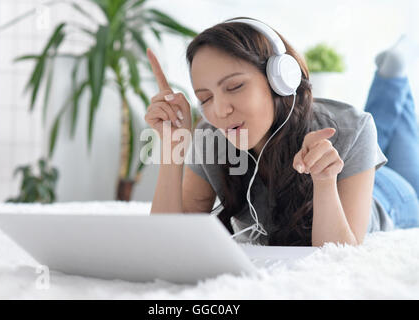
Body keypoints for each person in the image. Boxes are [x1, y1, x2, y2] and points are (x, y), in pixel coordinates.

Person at [145, 17, 419, 247]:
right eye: (205, 98)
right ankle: (392, 76)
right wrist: (172, 147)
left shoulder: (350, 127)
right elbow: (171, 241)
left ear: (280, 79)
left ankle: (393, 77)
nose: (219, 110)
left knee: (381, 134)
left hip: (392, 196)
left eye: (235, 86)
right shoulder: (211, 137)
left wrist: (324, 182)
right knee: (381, 129)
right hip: (357, 152)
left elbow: (337, 257)